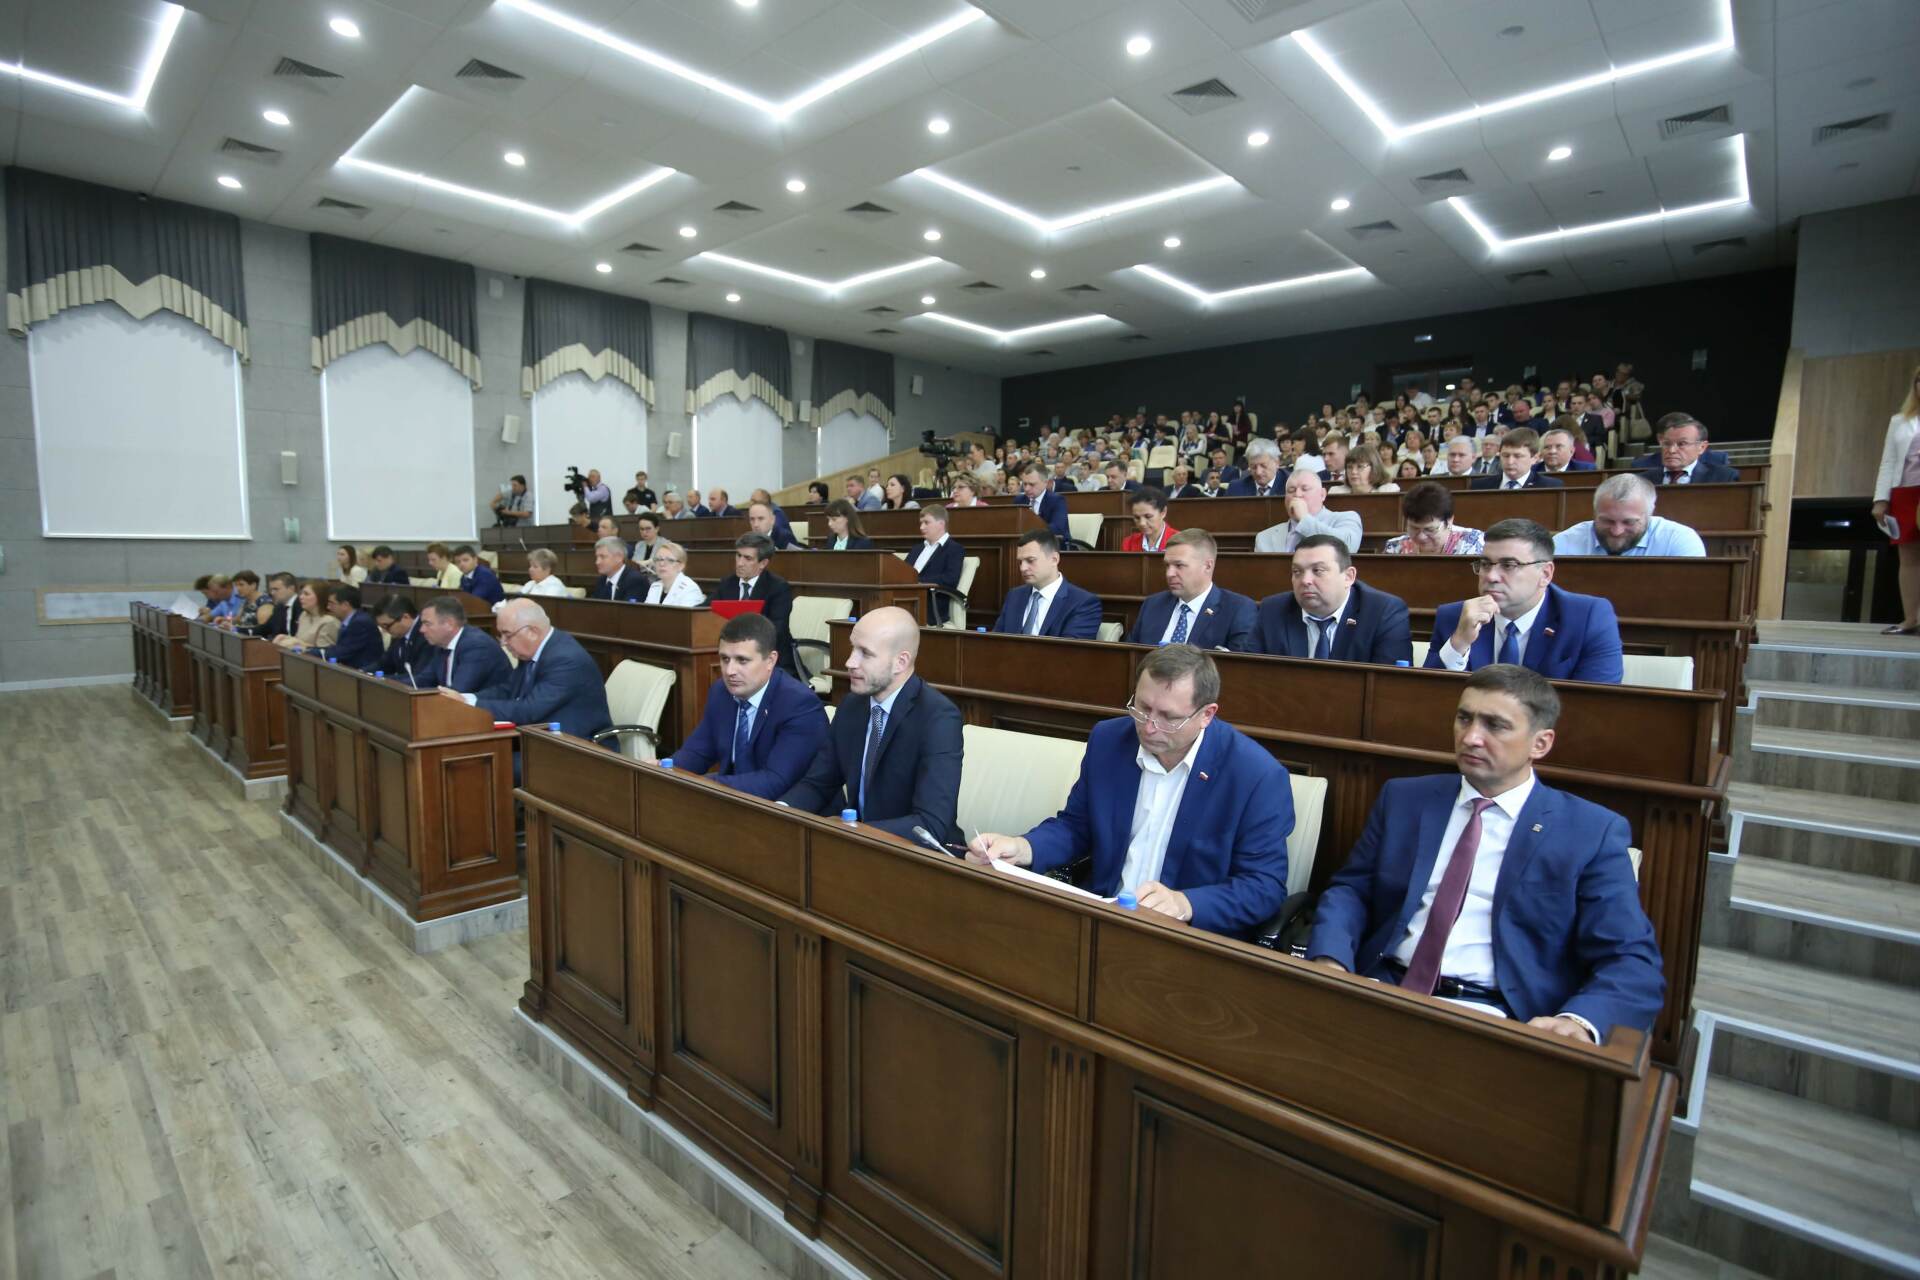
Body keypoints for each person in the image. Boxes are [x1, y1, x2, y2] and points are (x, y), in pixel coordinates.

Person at [1306, 665, 1665, 1042]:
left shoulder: (1589, 831)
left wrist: (1577, 1021)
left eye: (1495, 725)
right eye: (1464, 718)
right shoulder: (1405, 798)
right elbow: (1351, 891)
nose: (1471, 737)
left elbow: (1630, 959)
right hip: (1382, 988)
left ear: (1540, 744)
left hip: (1497, 1016)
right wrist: (1330, 958)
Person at [967, 645, 1292, 938]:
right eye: (1142, 708)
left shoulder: (1256, 776)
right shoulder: (1109, 740)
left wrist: (1186, 903)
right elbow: (1077, 826)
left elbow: (1263, 886)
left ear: (1206, 715)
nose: (1149, 727)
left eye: (1168, 718)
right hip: (1101, 917)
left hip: (1189, 939)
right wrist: (1023, 847)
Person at [778, 606, 962, 841]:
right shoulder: (852, 705)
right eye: (853, 648)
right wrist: (779, 812)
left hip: (916, 855)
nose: (850, 662)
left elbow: (930, 825)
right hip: (858, 844)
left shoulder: (938, 718)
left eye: (865, 653)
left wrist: (853, 831)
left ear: (900, 662)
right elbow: (819, 783)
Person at [1425, 518, 1623, 683]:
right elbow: (1427, 698)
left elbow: (1595, 707)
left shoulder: (1588, 618)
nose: (1491, 576)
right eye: (1485, 564)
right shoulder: (1455, 617)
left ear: (1545, 574)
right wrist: (1458, 643)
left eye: (1509, 565)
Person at [663, 613, 828, 799]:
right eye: (725, 659)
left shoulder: (799, 704)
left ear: (770, 661)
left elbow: (775, 781)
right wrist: (664, 769)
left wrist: (703, 783)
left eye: (742, 660)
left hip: (786, 808)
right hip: (734, 797)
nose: (730, 671)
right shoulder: (721, 692)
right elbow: (698, 752)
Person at [445, 598, 612, 741]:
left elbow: (529, 710)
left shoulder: (566, 659)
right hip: (543, 738)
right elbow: (508, 689)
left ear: (533, 632)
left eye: (507, 635)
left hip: (579, 748)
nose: (503, 642)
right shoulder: (533, 651)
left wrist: (470, 704)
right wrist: (467, 698)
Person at [1254, 535, 1412, 665]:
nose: (1305, 580)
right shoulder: (1272, 610)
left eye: (1318, 570)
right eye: (1297, 571)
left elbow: (1390, 685)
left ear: (1348, 577)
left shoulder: (1383, 612)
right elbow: (1249, 674)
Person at [1125, 530, 1256, 651]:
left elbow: (1239, 665)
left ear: (1207, 566)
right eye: (1167, 565)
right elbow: (1131, 656)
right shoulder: (1152, 605)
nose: (1169, 573)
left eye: (1179, 565)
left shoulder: (1238, 610)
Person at [1871, 364, 1920, 635]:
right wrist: (1881, 499)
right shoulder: (1898, 421)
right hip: (1905, 492)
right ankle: (1910, 620)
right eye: (1919, 380)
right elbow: (1888, 462)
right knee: (1908, 557)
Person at [1554, 473, 1707, 557]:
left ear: (1650, 513)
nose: (1617, 531)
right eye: (1607, 521)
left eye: (1629, 522)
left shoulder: (1679, 541)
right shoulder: (1565, 542)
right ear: (1595, 512)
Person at [992, 529, 1103, 638]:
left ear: (1054, 559)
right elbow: (997, 642)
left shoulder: (1083, 603)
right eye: (1020, 562)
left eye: (1030, 560)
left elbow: (1070, 649)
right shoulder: (1014, 596)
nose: (1023, 568)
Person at [712, 533, 795, 672]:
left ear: (763, 563)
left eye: (747, 558)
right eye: (738, 555)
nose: (740, 563)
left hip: (770, 660)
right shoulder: (727, 583)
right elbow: (704, 611)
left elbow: (777, 631)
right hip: (730, 656)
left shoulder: (778, 587)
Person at [1252, 469, 1363, 554]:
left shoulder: (1347, 518)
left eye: (1305, 489)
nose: (1297, 495)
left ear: (1322, 494)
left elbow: (1348, 547)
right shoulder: (1264, 538)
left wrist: (1304, 519)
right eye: (1291, 490)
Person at [1383, 482, 1485, 556]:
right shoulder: (1395, 548)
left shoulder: (1472, 543)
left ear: (1449, 521)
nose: (1421, 537)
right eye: (1414, 528)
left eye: (1429, 529)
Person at [910, 505, 966, 625]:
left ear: (941, 524)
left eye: (926, 522)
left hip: (930, 604)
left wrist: (917, 582)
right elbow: (903, 572)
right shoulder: (916, 549)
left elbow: (950, 579)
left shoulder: (954, 549)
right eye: (921, 523)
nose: (921, 527)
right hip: (906, 600)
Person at [1643, 414, 1739, 484]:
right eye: (1667, 444)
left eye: (1682, 444)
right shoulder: (1642, 481)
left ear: (1702, 447)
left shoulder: (1724, 477)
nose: (1671, 450)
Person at [311, 585, 382, 670]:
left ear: (345, 605)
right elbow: (339, 649)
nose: (328, 607)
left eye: (331, 603)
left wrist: (309, 651)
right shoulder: (352, 620)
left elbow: (340, 653)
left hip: (362, 673)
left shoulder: (360, 623)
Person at [1470, 428, 1562, 491]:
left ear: (1534, 458)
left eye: (1518, 456)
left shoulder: (1550, 487)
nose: (1510, 462)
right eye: (1505, 455)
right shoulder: (1479, 486)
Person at [375, 594, 431, 683]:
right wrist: (363, 674)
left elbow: (417, 676)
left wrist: (380, 678)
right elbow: (384, 664)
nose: (385, 631)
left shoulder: (426, 635)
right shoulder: (399, 634)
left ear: (405, 617)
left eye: (387, 626)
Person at [273, 581, 339, 651]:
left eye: (306, 594)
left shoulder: (329, 621)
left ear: (320, 597)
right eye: (301, 594)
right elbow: (298, 641)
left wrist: (297, 643)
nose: (301, 597)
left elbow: (323, 652)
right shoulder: (304, 615)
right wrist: (286, 638)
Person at [644, 540, 706, 607]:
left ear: (681, 566)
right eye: (659, 559)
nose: (662, 564)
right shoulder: (654, 586)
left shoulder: (690, 589)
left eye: (670, 560)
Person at [1018, 462, 1071, 541]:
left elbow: (1057, 529)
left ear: (1045, 483)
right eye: (1025, 484)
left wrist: (1030, 532)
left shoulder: (1057, 500)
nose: (1027, 489)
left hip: (1054, 544)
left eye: (1032, 484)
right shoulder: (1019, 500)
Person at [588, 535, 648, 602]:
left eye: (603, 557)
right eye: (597, 557)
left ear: (619, 557)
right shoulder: (602, 580)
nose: (597, 562)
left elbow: (629, 608)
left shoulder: (635, 580)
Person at [1123, 487, 1178, 552]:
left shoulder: (1178, 541)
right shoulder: (1129, 542)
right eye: (1137, 517)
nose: (1142, 523)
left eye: (1148, 516)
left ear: (1163, 512)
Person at [1331, 444, 1397, 495]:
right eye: (1349, 467)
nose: (1353, 472)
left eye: (1360, 467)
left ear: (1374, 468)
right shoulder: (1336, 492)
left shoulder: (1388, 492)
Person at [256, 572, 302, 639]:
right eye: (271, 590)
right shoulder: (279, 608)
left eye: (276, 589)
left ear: (291, 588)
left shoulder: (302, 606)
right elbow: (266, 628)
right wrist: (242, 630)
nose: (272, 593)